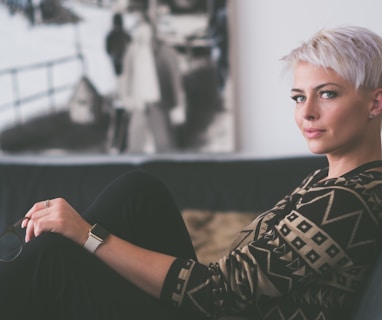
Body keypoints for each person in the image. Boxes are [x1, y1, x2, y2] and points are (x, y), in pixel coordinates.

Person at [1, 25, 382, 320]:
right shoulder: (328, 181)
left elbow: (223, 290)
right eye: (299, 97)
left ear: (375, 102)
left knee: (56, 256)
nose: (307, 112)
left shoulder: (346, 202)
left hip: (222, 308)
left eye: (327, 93)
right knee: (138, 192)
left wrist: (88, 235)